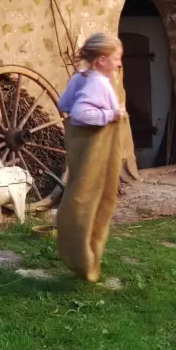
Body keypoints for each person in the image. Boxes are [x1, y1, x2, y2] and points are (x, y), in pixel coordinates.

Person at [54, 32, 126, 284]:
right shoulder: (98, 82)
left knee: (80, 195)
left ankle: (79, 254)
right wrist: (111, 115)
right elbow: (79, 113)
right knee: (96, 200)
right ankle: (86, 258)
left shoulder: (80, 78)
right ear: (100, 61)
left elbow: (63, 103)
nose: (119, 64)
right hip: (96, 152)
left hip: (80, 151)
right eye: (116, 58)